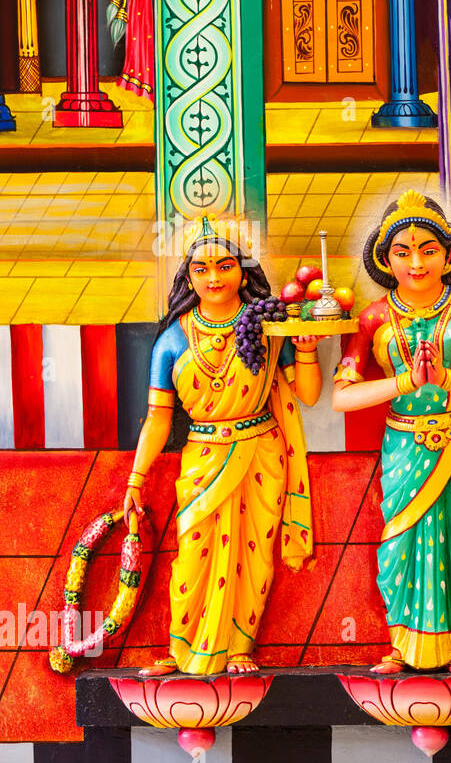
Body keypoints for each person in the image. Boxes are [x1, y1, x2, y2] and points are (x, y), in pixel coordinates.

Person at [125, 214, 319, 676]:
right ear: (188, 276)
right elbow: (157, 418)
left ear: (244, 271)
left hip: (260, 452)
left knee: (253, 552)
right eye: (201, 269)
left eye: (225, 265)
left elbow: (308, 396)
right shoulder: (172, 339)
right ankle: (181, 650)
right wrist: (137, 477)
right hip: (203, 458)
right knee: (193, 552)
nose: (213, 277)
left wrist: (306, 347)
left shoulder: (268, 327)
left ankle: (238, 649)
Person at [333, 191, 451, 674]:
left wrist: (449, 379)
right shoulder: (373, 318)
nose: (416, 262)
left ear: (449, 254)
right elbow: (342, 397)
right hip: (405, 446)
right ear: (385, 258)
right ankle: (400, 644)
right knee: (399, 543)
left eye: (428, 250)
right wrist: (406, 382)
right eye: (402, 252)